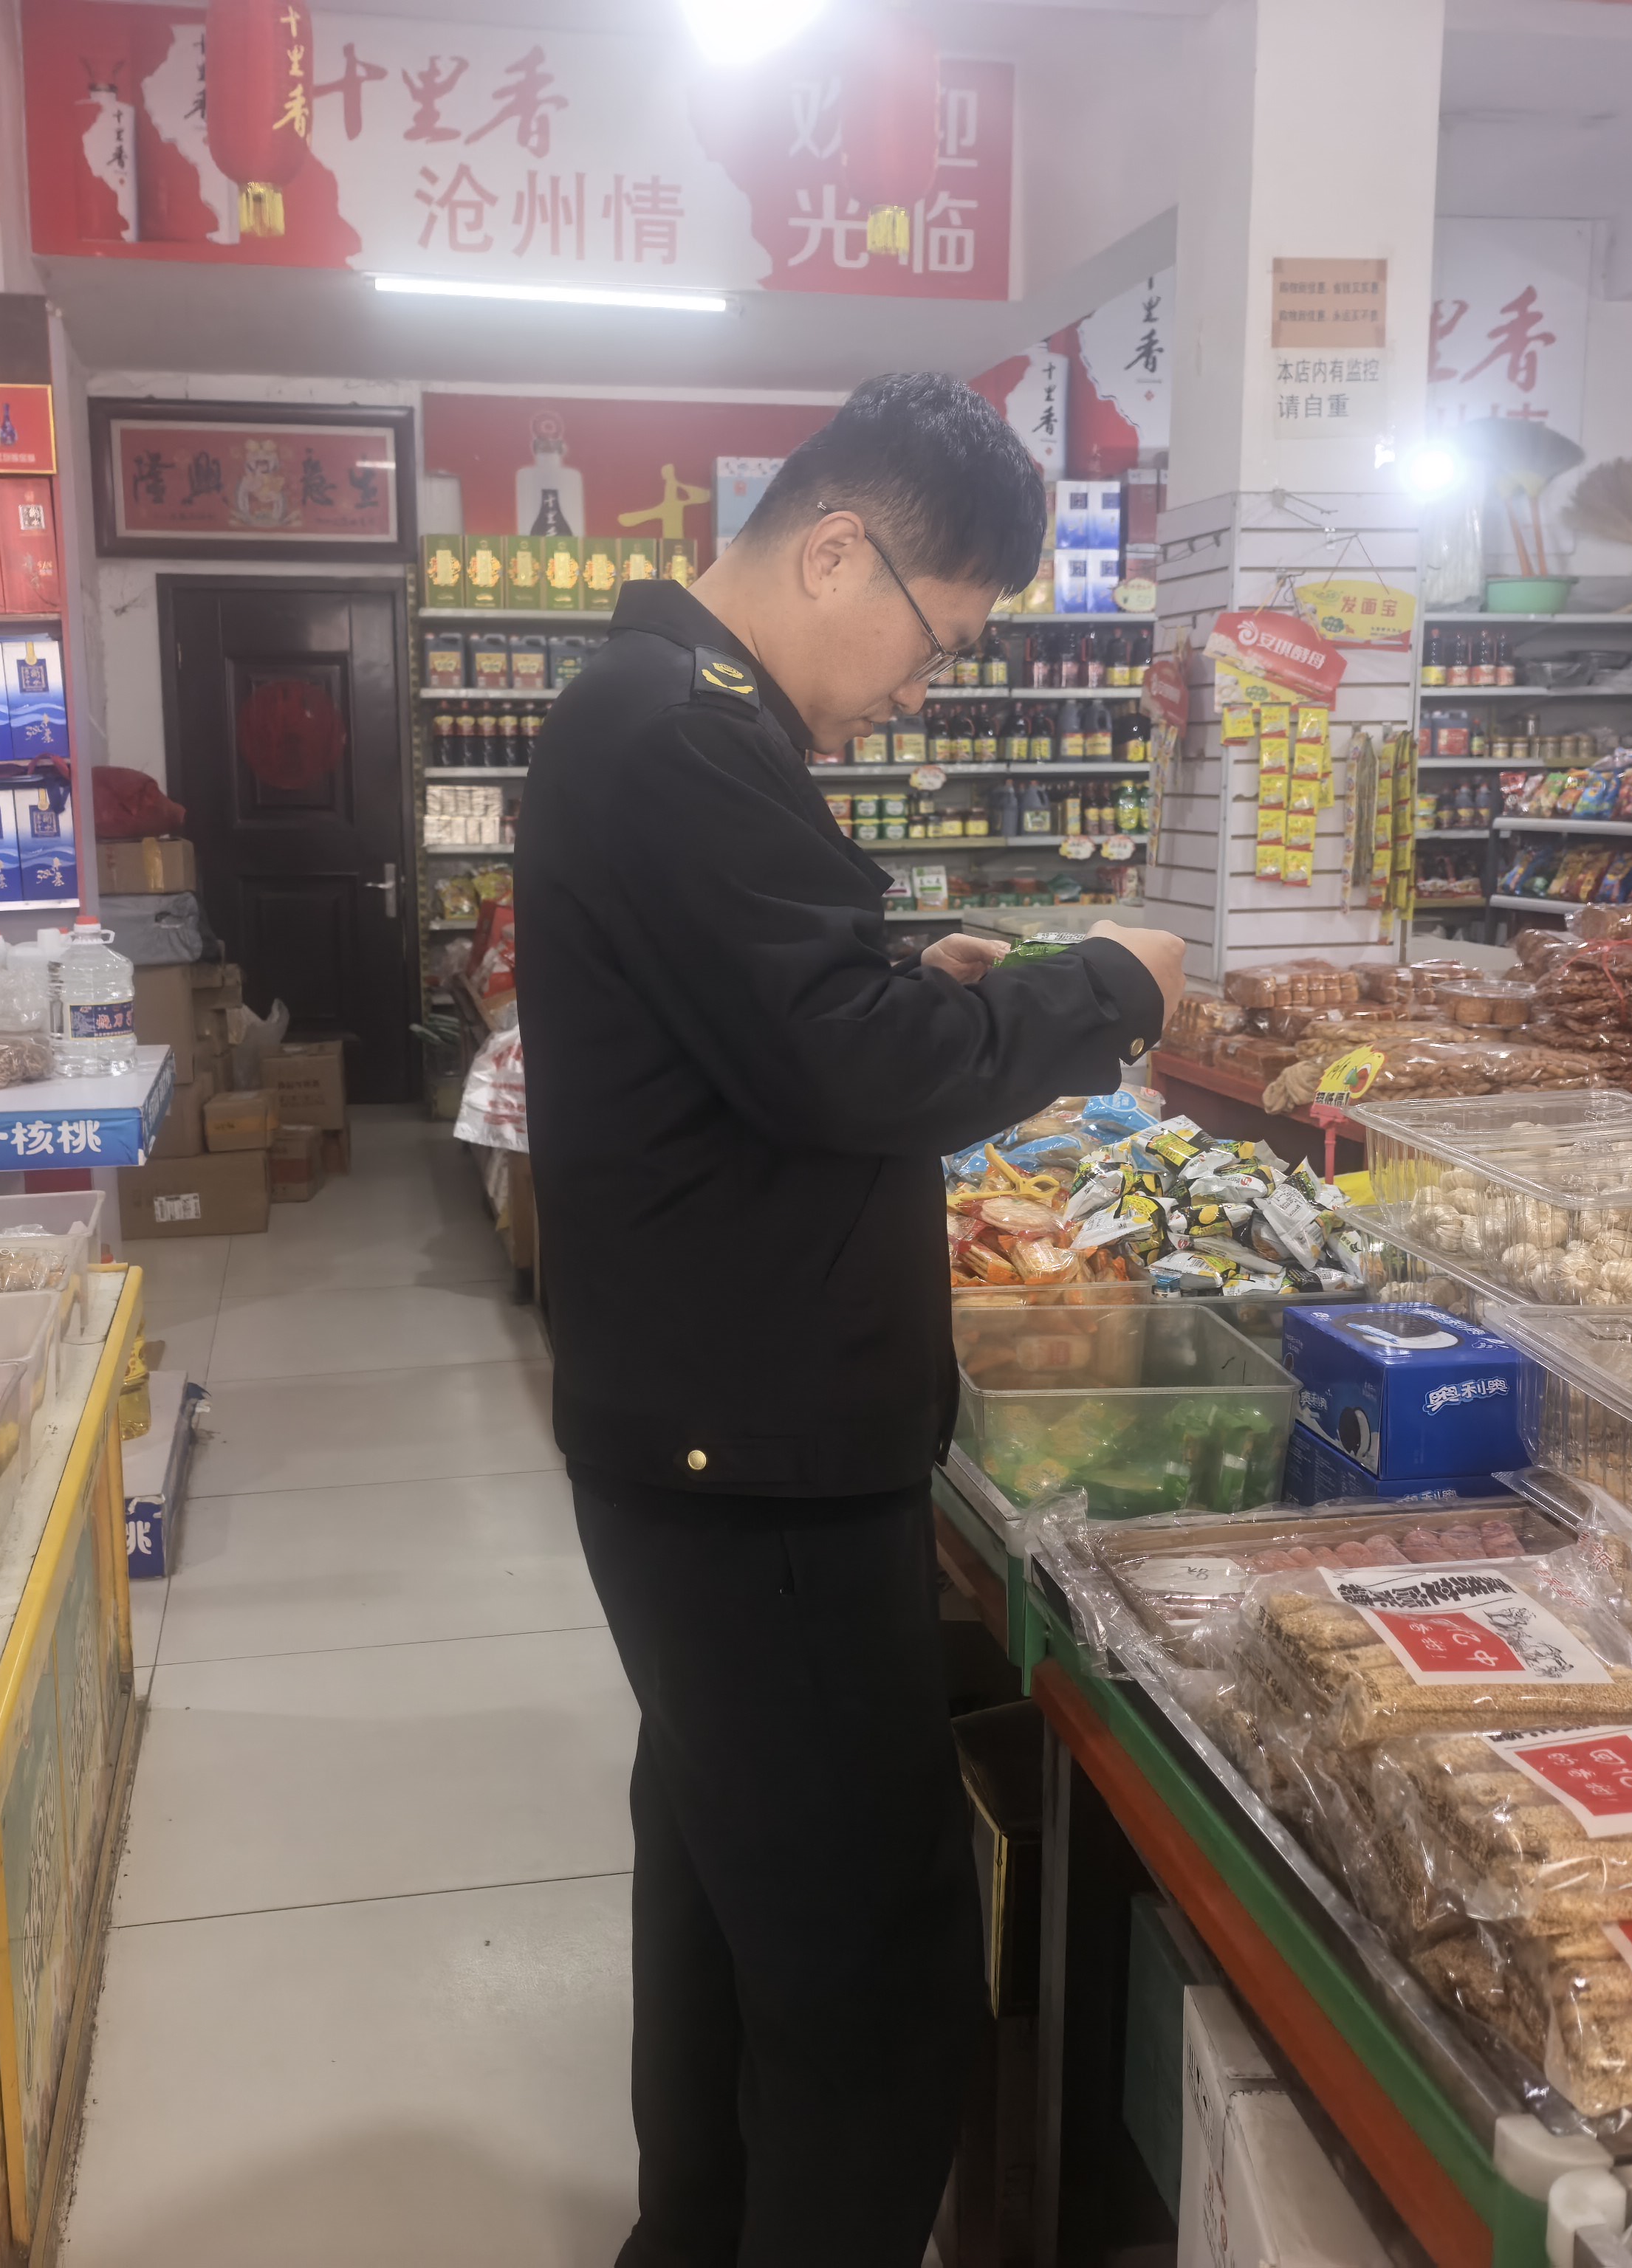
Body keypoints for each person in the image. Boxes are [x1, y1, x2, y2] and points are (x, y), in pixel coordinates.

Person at [515, 372, 1186, 2267]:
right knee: (876, 1992)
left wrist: (907, 977)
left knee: (728, 1914)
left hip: (702, 1431)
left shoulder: (660, 711)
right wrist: (1100, 987)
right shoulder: (681, 736)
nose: (921, 688)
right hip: (760, 1468)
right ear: (834, 551)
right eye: (934, 637)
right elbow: (847, 1073)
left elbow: (768, 1021)